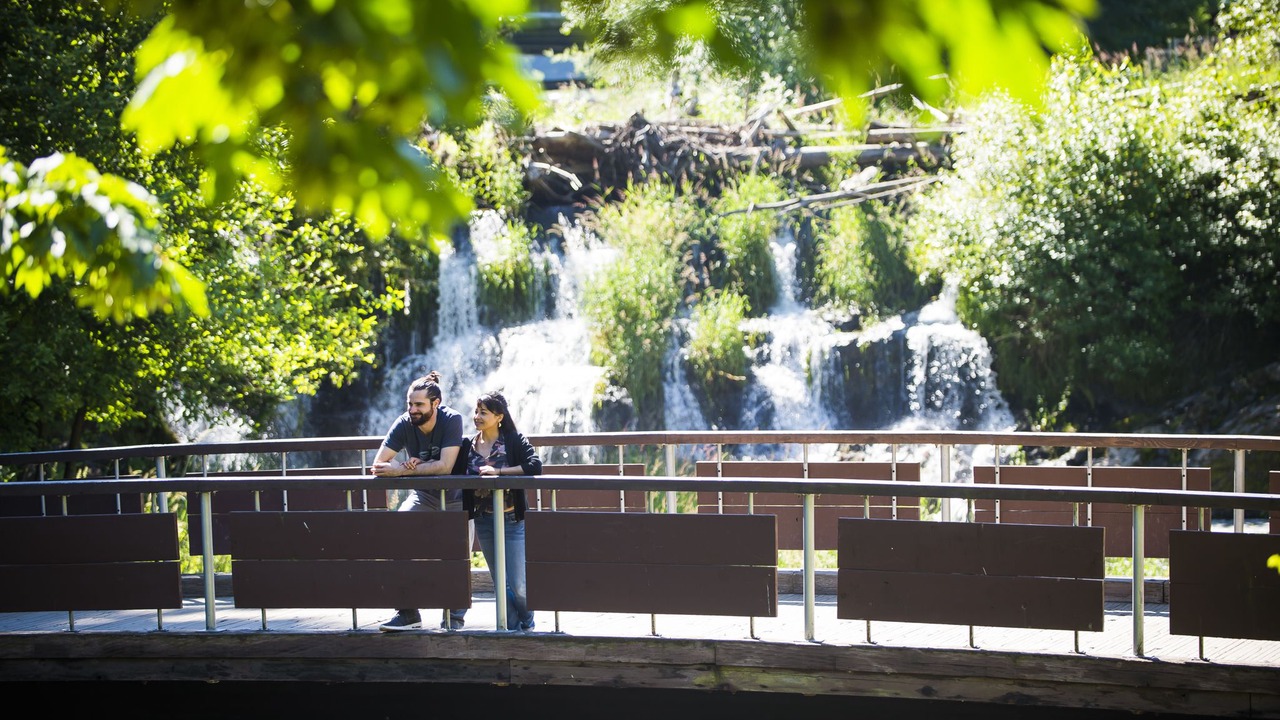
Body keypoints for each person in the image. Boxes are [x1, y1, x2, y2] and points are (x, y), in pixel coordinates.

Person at [373, 371, 472, 632]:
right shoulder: (404, 422)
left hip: (456, 497)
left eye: (419, 405)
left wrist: (404, 469)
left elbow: (446, 466)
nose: (412, 410)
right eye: (410, 404)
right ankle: (407, 613)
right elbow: (379, 464)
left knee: (457, 557)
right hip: (423, 495)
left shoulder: (452, 420)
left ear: (435, 403)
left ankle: (454, 619)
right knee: (396, 537)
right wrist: (401, 467)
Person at [462, 390, 542, 631]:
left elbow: (535, 465)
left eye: (483, 412)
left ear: (499, 416)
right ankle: (513, 629)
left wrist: (499, 473)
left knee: (518, 585)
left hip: (511, 519)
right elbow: (449, 469)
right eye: (476, 412)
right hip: (484, 521)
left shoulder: (514, 440)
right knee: (500, 582)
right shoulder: (468, 444)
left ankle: (527, 623)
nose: (477, 416)